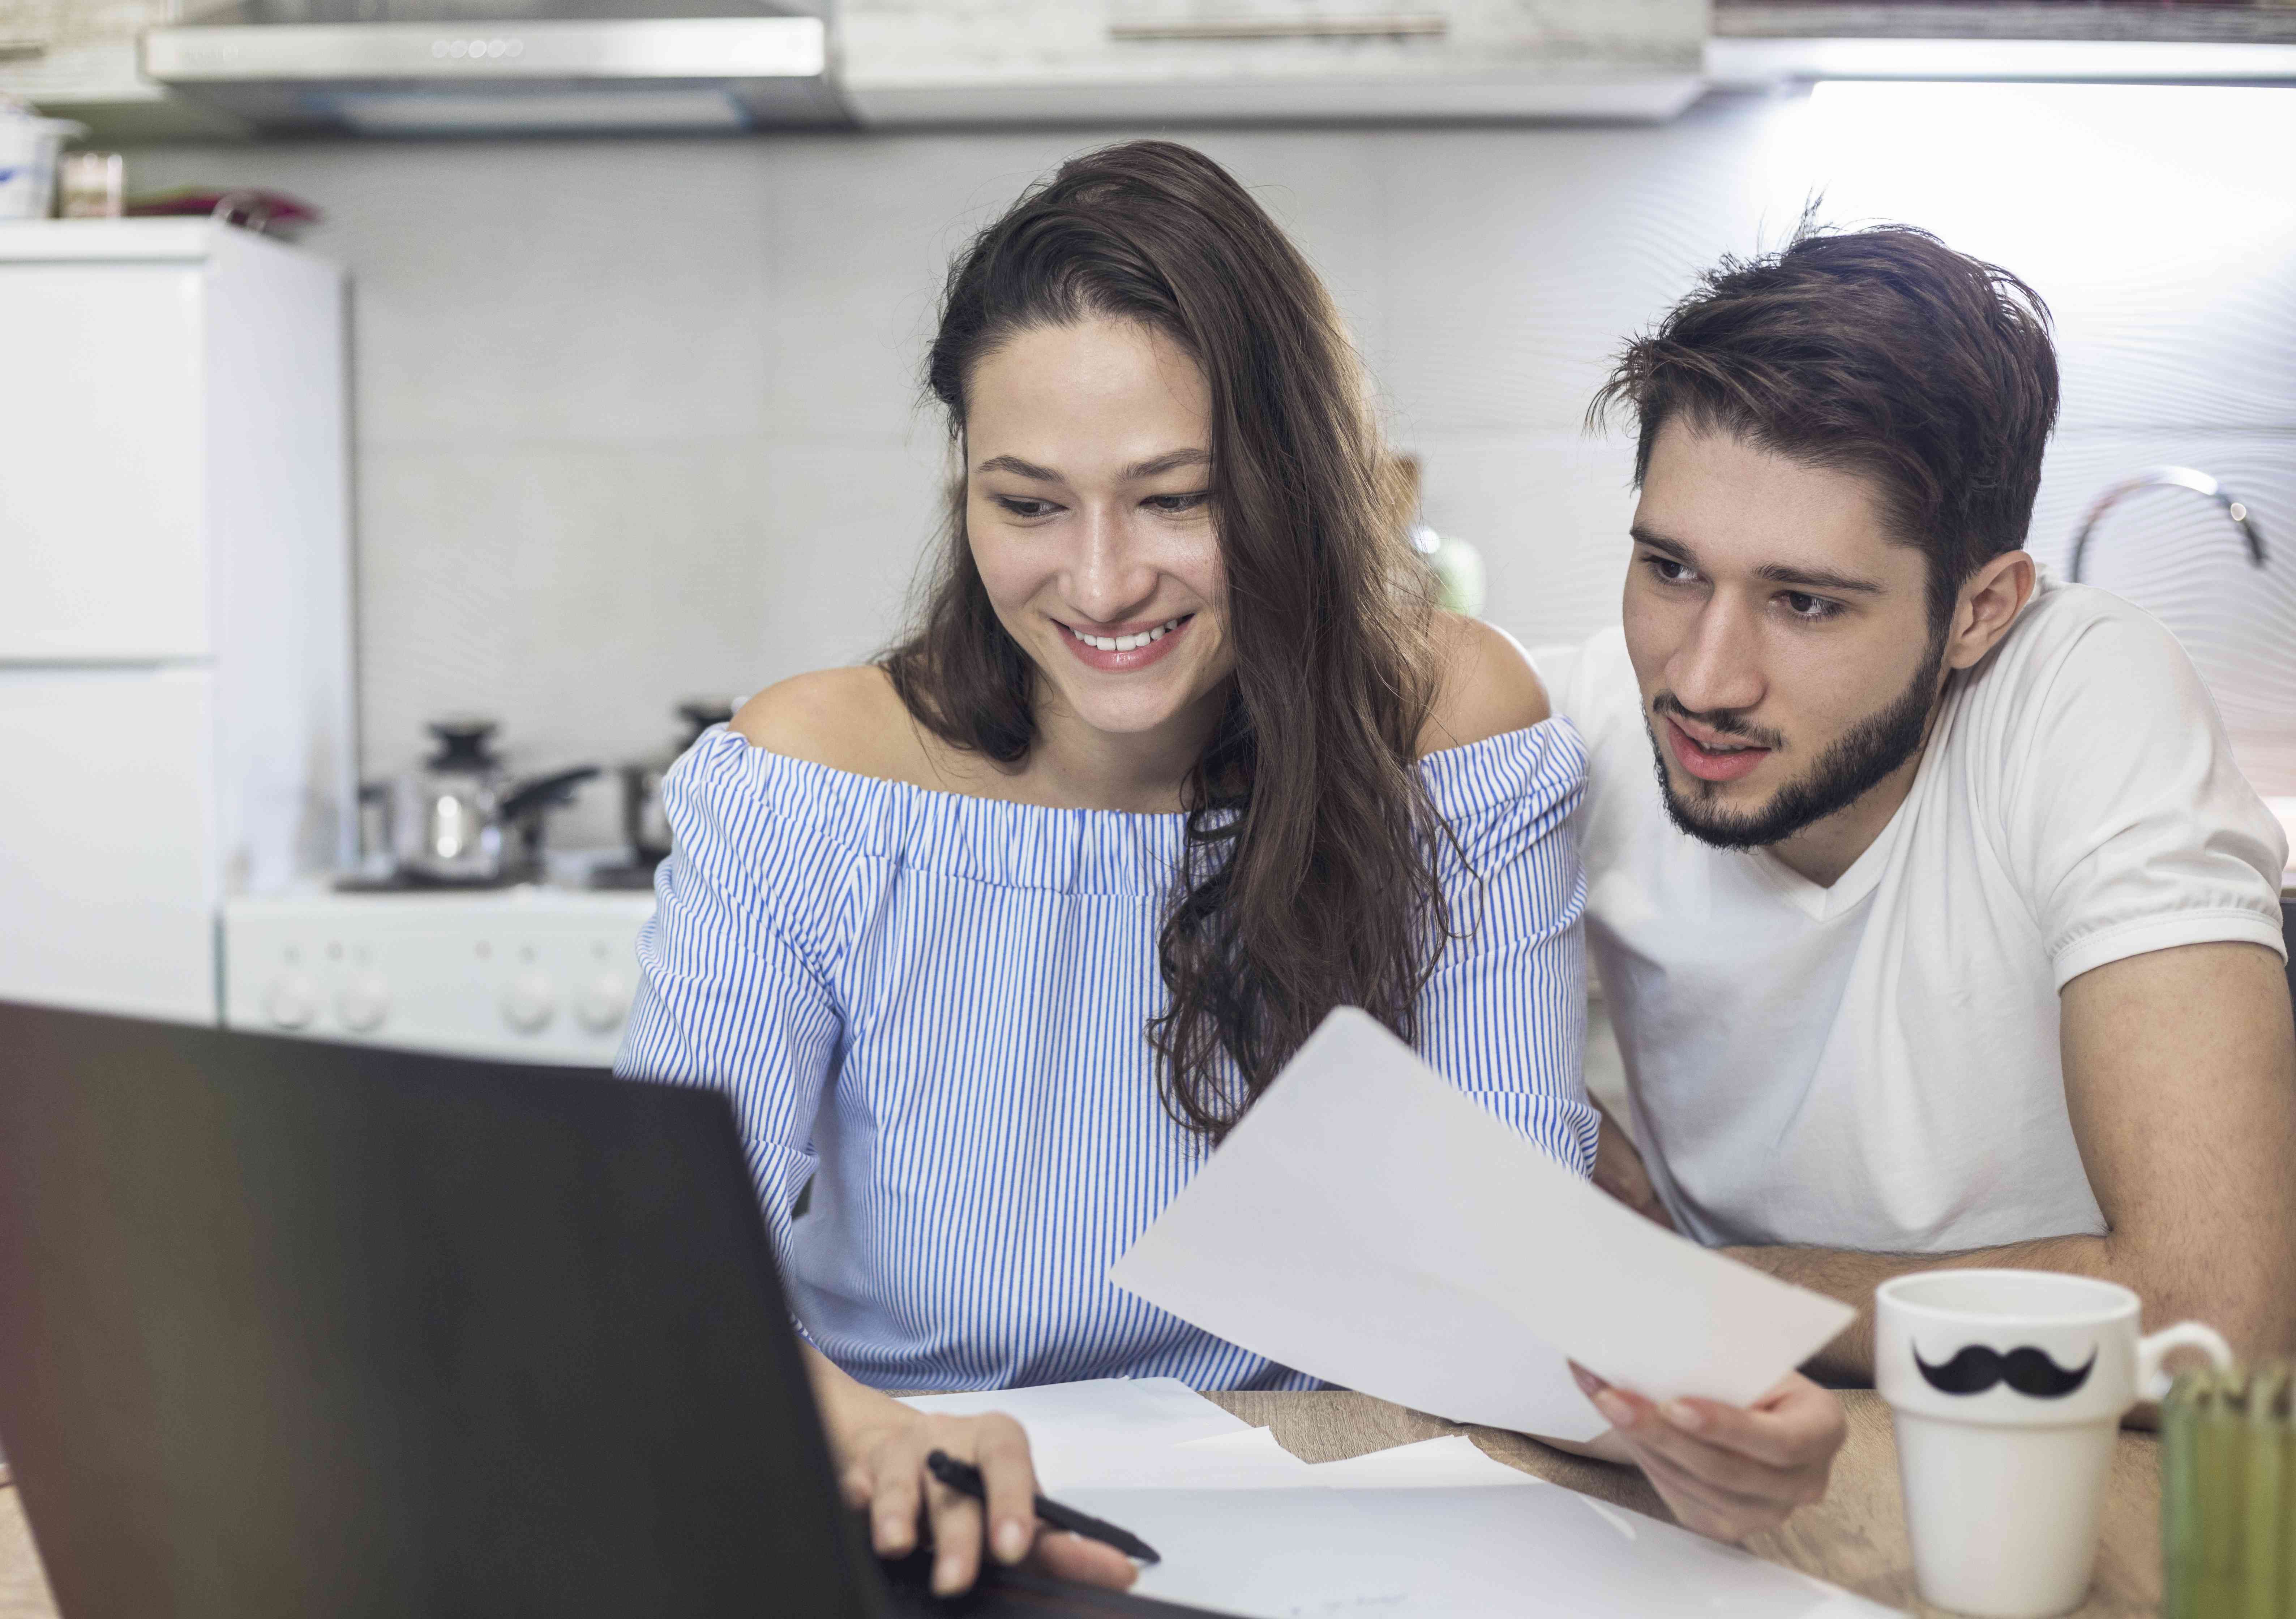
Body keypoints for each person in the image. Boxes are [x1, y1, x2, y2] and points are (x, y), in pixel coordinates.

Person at [616, 140, 1843, 1596]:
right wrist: (871, 1436)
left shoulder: (1457, 735)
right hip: (925, 1499)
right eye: (1026, 504)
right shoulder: (804, 781)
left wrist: (1698, 1403)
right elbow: (660, 1276)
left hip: (1342, 1482)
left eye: (1174, 499)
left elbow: (1507, 1229)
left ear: (1292, 477)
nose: (1099, 580)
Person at [1544, 225, 2296, 1445]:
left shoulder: (2081, 693)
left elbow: (2214, 1323)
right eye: (1672, 571)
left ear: (1980, 612)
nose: (1704, 678)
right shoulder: (1586, 720)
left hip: (2063, 1466)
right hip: (1714, 1445)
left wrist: (1714, 1295)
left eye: (1804, 603)